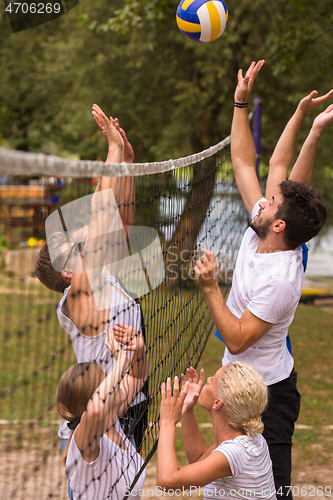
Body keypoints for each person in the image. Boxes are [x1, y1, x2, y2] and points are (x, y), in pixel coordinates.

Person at [194, 60, 333, 499]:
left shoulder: (280, 280)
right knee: (229, 484)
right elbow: (247, 159)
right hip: (240, 385)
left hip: (267, 395)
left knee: (270, 492)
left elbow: (236, 339)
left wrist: (212, 286)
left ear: (279, 226)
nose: (263, 202)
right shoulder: (272, 232)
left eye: (271, 203)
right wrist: (304, 122)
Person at [35, 108, 149, 498]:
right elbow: (101, 214)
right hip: (101, 410)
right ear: (68, 270)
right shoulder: (78, 299)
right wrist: (112, 150)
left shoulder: (99, 277)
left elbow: (120, 219)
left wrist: (127, 164)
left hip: (126, 398)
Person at [156, 363, 276, 500]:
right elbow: (199, 459)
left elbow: (168, 480)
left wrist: (167, 422)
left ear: (217, 403)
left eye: (212, 380)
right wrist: (187, 409)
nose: (208, 379)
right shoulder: (250, 436)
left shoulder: (234, 453)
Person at [56, 326, 148, 500]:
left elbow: (137, 377)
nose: (117, 378)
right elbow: (96, 410)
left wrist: (139, 349)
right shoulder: (84, 439)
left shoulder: (112, 417)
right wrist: (120, 360)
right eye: (108, 378)